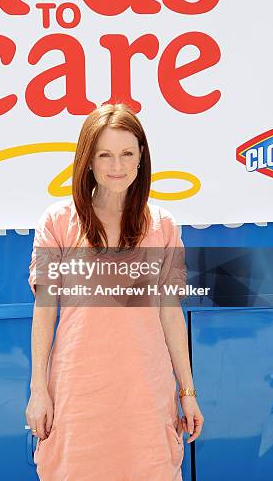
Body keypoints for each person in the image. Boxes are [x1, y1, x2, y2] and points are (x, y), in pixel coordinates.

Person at [25, 103, 204, 480]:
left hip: (145, 391)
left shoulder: (163, 225)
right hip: (77, 390)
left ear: (142, 157)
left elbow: (171, 314)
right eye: (104, 154)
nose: (117, 166)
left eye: (127, 153)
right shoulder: (57, 222)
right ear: (87, 160)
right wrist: (38, 390)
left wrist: (187, 391)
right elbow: (44, 309)